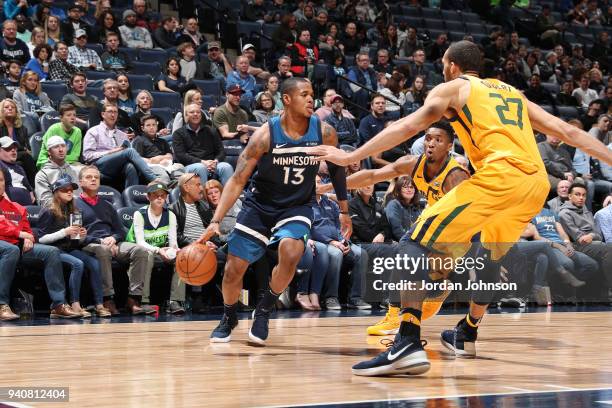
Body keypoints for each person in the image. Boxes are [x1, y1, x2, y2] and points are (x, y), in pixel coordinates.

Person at [308, 40, 612, 376]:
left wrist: (349, 156)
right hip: (535, 183)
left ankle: (407, 342)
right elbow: (567, 130)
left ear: (451, 65)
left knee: (413, 243)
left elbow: (409, 125)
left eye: (442, 65)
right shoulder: (512, 93)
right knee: (491, 255)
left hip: (501, 175)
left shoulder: (454, 88)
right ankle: (467, 332)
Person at [199, 77, 351, 345]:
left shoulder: (325, 132)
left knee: (292, 251)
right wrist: (216, 221)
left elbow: (338, 170)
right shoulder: (265, 135)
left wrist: (343, 210)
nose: (310, 99)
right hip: (260, 205)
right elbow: (236, 179)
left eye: (312, 94)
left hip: (297, 205)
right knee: (234, 269)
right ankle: (229, 315)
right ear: (287, 99)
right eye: (304, 94)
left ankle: (265, 307)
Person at [0, 171, 80, 320]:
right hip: (7, 245)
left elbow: (27, 230)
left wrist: (28, 238)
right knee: (10, 250)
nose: (0, 184)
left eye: (1, 180)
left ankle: (58, 305)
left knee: (51, 252)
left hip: (18, 246)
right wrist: (19, 234)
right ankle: (2, 304)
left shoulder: (17, 207)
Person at [76, 165, 155, 315]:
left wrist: (113, 238)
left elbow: (120, 231)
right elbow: (77, 236)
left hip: (112, 242)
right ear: (80, 182)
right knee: (103, 250)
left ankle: (133, 298)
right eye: (89, 177)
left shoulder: (107, 205)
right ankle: (107, 299)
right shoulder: (74, 205)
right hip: (89, 243)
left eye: (96, 177)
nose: (93, 179)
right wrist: (102, 241)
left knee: (140, 251)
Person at [37, 177, 111, 317]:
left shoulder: (75, 211)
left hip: (69, 248)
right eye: (65, 190)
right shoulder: (49, 210)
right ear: (56, 192)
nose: (69, 192)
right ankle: (75, 304)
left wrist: (81, 235)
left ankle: (99, 304)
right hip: (53, 250)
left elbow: (76, 240)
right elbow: (41, 239)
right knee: (78, 264)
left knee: (95, 263)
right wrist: (64, 232)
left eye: (71, 189)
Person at [125, 181, 184, 314]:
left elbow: (173, 242)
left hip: (159, 250)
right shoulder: (139, 214)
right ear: (148, 197)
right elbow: (140, 242)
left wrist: (175, 251)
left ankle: (175, 301)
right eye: (156, 195)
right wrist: (158, 250)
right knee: (148, 255)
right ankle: (144, 301)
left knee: (181, 258)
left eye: (162, 195)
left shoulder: (170, 215)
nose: (159, 198)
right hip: (138, 250)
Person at [83, 103, 157, 188]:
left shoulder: (122, 135)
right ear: (103, 114)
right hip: (98, 164)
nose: (113, 115)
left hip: (117, 166)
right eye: (110, 112)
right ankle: (154, 179)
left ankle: (131, 196)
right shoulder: (93, 131)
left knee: (130, 167)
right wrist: (110, 152)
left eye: (115, 112)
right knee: (130, 151)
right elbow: (87, 156)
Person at [559, 183, 612, 289]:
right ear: (569, 196)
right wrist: (593, 236)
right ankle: (609, 288)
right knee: (609, 249)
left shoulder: (585, 211)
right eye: (577, 194)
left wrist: (591, 235)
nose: (581, 198)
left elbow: (598, 234)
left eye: (583, 195)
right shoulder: (564, 213)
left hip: (592, 243)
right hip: (576, 246)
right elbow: (580, 238)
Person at [173, 103, 233, 185]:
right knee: (200, 168)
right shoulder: (178, 133)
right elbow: (181, 155)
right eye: (192, 112)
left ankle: (229, 197)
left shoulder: (211, 131)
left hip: (212, 164)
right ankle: (202, 197)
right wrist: (202, 162)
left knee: (226, 167)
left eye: (198, 112)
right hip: (191, 165)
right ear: (186, 116)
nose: (195, 114)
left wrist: (215, 161)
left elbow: (221, 151)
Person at [132, 114, 183, 184]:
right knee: (164, 177)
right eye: (148, 125)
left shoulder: (163, 141)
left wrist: (160, 158)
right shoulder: (139, 140)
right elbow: (138, 158)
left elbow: (170, 155)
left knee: (182, 176)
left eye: (154, 125)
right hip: (150, 167)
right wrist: (152, 161)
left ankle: (176, 191)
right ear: (142, 128)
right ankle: (165, 192)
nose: (151, 127)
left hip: (167, 164)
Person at [35, 135, 80, 207]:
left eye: (63, 146)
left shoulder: (75, 171)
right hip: (57, 212)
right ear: (49, 152)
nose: (61, 150)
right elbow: (45, 202)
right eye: (56, 147)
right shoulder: (42, 174)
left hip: (79, 210)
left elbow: (80, 195)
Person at [0, 98, 36, 185]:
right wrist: (22, 148)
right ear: (1, 111)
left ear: (16, 111)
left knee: (23, 162)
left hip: (18, 157)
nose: (10, 108)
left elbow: (28, 149)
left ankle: (31, 188)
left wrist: (23, 149)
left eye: (13, 107)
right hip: (2, 156)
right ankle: (34, 186)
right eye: (6, 107)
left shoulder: (22, 129)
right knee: (25, 156)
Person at [37, 104, 82, 170]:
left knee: (86, 171)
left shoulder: (77, 132)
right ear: (61, 118)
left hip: (68, 163)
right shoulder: (53, 129)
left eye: (74, 115)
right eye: (68, 115)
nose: (72, 118)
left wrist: (64, 160)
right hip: (47, 161)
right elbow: (51, 154)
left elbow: (75, 156)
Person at [0, 136, 35, 205]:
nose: (13, 150)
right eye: (8, 148)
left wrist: (31, 192)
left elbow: (28, 187)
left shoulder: (19, 168)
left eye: (15, 148)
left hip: (27, 207)